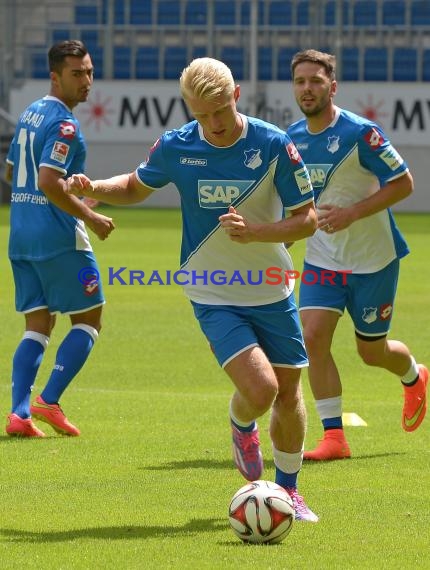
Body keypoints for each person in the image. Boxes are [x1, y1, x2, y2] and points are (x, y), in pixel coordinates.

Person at [66, 57, 319, 521]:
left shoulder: (274, 144)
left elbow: (308, 218)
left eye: (220, 110)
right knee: (260, 390)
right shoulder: (177, 147)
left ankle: (288, 492)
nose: (214, 123)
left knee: (288, 393)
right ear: (188, 108)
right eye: (202, 114)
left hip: (270, 285)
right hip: (211, 288)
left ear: (236, 95)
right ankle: (242, 423)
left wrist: (257, 233)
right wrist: (94, 185)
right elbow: (135, 185)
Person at [286, 49, 428, 461]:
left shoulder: (361, 133)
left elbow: (403, 184)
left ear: (333, 86)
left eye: (315, 81)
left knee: (372, 352)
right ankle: (335, 438)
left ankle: (414, 375)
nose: (307, 88)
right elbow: (295, 200)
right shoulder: (291, 139)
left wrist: (352, 214)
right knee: (311, 338)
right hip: (323, 259)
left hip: (373, 262)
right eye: (300, 81)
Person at [5, 40, 115, 438]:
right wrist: (91, 215)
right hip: (58, 237)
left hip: (20, 235)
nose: (86, 80)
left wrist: (76, 191)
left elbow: (12, 174)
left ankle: (18, 414)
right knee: (89, 318)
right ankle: (48, 400)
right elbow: (48, 181)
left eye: (88, 71)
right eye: (76, 73)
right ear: (55, 76)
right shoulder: (65, 123)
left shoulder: (30, 113)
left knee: (38, 323)